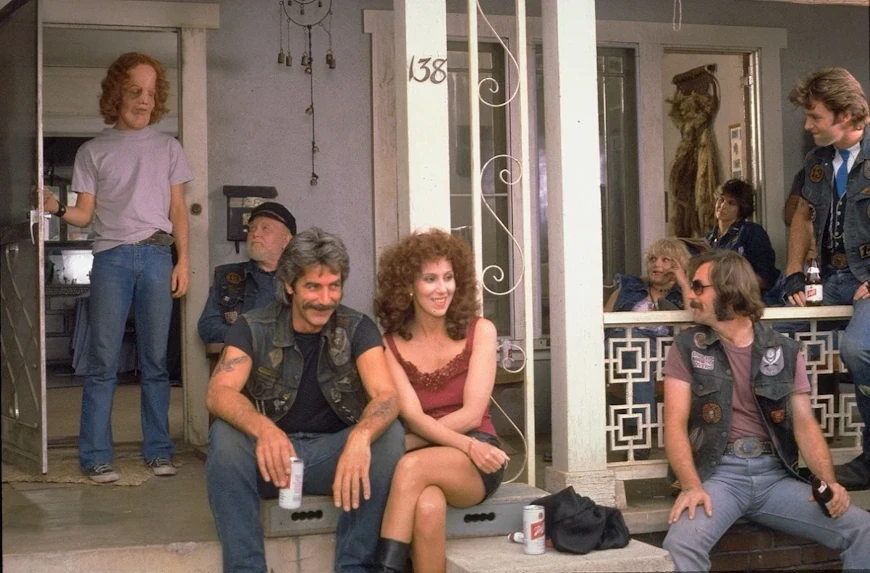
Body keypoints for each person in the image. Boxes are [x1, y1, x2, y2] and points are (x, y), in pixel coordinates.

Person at [205, 227, 404, 573]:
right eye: (313, 287)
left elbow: (386, 395)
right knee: (224, 437)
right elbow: (218, 392)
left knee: (389, 436)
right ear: (289, 285)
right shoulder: (254, 326)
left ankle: (355, 566)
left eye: (333, 286)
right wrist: (264, 430)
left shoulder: (357, 328)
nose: (325, 299)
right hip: (272, 459)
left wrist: (360, 437)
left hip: (334, 457)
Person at [661, 250, 870, 572]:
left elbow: (804, 425)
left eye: (699, 287)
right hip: (718, 476)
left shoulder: (784, 350)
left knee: (862, 530)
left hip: (774, 476)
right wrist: (691, 485)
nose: (691, 296)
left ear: (729, 291)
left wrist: (829, 483)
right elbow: (674, 424)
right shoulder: (688, 347)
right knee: (681, 546)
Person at [42, 52, 192, 483]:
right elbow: (84, 214)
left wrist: (183, 260)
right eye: (134, 91)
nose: (144, 100)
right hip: (111, 259)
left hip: (157, 256)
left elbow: (178, 210)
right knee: (102, 362)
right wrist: (56, 207)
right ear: (116, 95)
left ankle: (158, 451)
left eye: (151, 93)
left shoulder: (169, 148)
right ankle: (95, 456)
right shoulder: (92, 152)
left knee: (156, 362)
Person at [371, 229, 509, 573]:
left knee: (410, 467)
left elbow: (473, 414)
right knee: (428, 507)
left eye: (448, 277)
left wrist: (409, 444)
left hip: (478, 454)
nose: (442, 288)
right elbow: (413, 416)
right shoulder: (389, 344)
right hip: (444, 450)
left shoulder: (481, 330)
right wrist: (431, 440)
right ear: (407, 286)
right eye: (430, 279)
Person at [782, 67, 870, 490]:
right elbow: (802, 215)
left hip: (866, 280)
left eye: (815, 116)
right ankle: (775, 457)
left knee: (859, 348)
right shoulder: (816, 160)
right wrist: (793, 272)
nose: (807, 125)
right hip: (827, 278)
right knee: (766, 340)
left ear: (846, 114)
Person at [603, 238, 692, 458]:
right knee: (635, 347)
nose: (657, 264)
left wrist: (683, 283)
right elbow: (604, 320)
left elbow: (691, 325)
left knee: (639, 355)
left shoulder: (684, 294)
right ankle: (640, 434)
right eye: (653, 259)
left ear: (679, 264)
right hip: (620, 347)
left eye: (666, 260)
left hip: (658, 356)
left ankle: (639, 435)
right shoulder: (629, 288)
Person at [198, 201, 296, 343]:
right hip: (241, 354)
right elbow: (208, 327)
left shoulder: (301, 278)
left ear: (286, 240)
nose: (255, 233)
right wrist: (249, 336)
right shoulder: (228, 276)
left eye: (265, 228)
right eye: (252, 228)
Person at [705, 179, 781, 304]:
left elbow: (765, 277)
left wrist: (734, 283)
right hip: (713, 300)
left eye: (731, 203)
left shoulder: (752, 232)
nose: (722, 206)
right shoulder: (708, 238)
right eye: (721, 199)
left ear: (741, 209)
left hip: (746, 301)